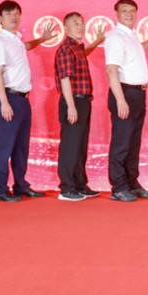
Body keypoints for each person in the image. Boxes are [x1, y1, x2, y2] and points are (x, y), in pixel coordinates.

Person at [0, 0, 50, 203]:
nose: (13, 17)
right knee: (4, 147)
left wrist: (42, 39)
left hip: (23, 99)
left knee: (21, 147)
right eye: (8, 14)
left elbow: (28, 46)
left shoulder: (17, 40)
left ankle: (20, 184)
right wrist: (4, 102)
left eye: (16, 13)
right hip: (9, 98)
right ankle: (0, 189)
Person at [103, 0, 148, 202]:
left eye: (132, 11)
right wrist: (120, 100)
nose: (129, 14)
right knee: (121, 143)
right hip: (124, 94)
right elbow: (111, 69)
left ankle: (131, 182)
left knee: (133, 143)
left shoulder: (131, 36)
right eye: (124, 11)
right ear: (116, 14)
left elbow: (134, 54)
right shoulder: (115, 37)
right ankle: (118, 186)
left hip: (138, 94)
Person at [54, 11, 102, 201]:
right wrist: (71, 106)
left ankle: (80, 184)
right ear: (65, 28)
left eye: (81, 22)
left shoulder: (77, 48)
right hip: (73, 101)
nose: (80, 26)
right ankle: (67, 188)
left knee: (80, 146)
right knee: (70, 146)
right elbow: (65, 78)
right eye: (75, 23)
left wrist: (97, 41)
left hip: (83, 101)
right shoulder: (66, 49)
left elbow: (84, 53)